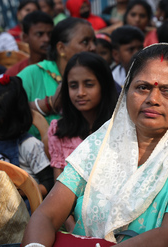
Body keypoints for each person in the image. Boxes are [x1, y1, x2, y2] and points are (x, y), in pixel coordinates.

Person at [21, 43, 168, 246]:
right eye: (142, 87)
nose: (153, 99)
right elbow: (47, 214)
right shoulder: (101, 145)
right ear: (126, 91)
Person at [47, 52, 118, 231]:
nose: (80, 93)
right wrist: (75, 232)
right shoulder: (58, 131)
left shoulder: (119, 127)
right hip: (73, 223)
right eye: (73, 86)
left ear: (104, 85)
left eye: (89, 84)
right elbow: (59, 187)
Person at [17, 17, 97, 140]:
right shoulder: (33, 74)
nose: (93, 47)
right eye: (85, 42)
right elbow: (5, 111)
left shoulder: (98, 75)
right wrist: (49, 103)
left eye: (94, 42)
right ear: (61, 48)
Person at [0, 75, 53, 198]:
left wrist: (20, 193)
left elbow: (49, 182)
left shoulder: (29, 145)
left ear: (4, 120)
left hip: (22, 210)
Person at [5, 11, 54, 76]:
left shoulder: (61, 67)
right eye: (39, 34)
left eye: (50, 34)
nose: (47, 39)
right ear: (25, 37)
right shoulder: (15, 73)